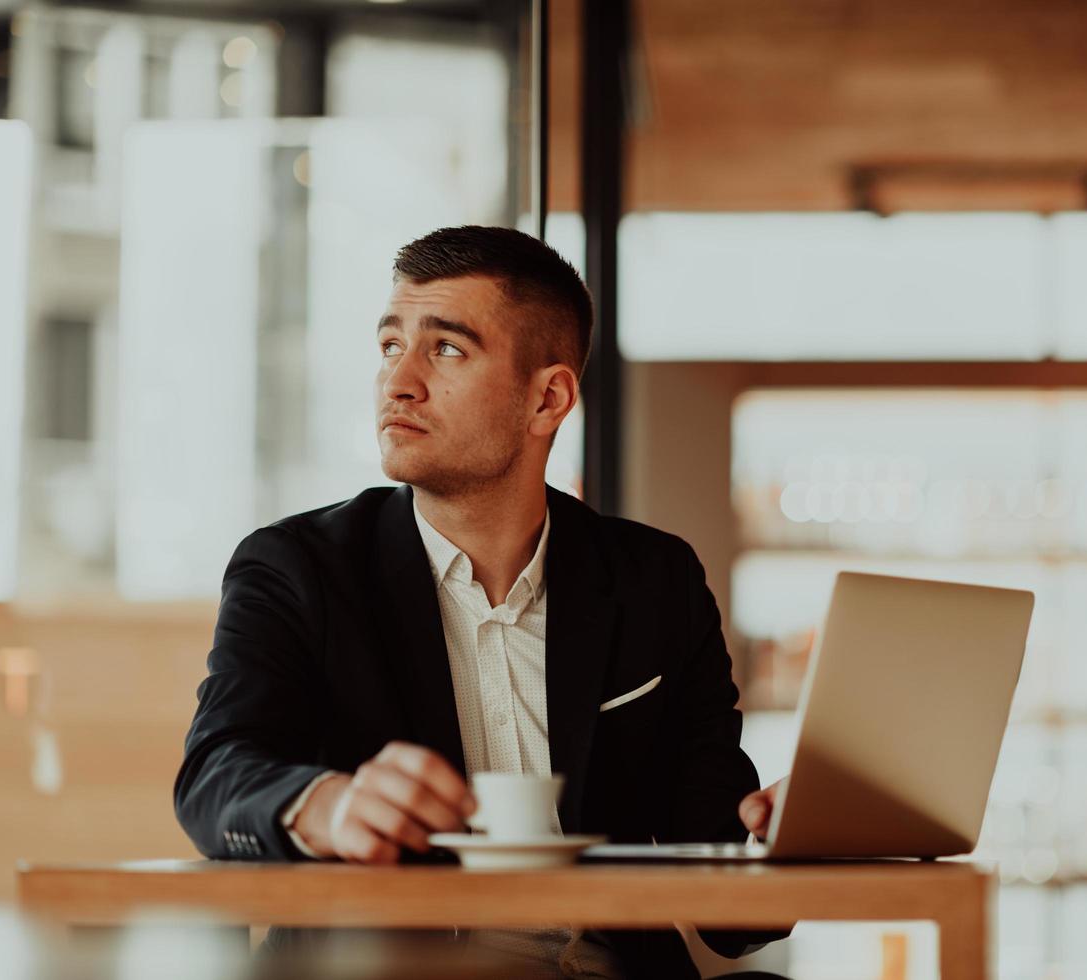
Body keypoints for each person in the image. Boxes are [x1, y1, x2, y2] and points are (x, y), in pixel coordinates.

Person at [174, 226, 784, 978]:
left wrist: (784, 844)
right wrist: (328, 806)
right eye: (391, 345)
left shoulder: (654, 580)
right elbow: (214, 776)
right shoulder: (299, 568)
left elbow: (728, 896)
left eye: (447, 349)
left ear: (548, 398)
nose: (399, 381)